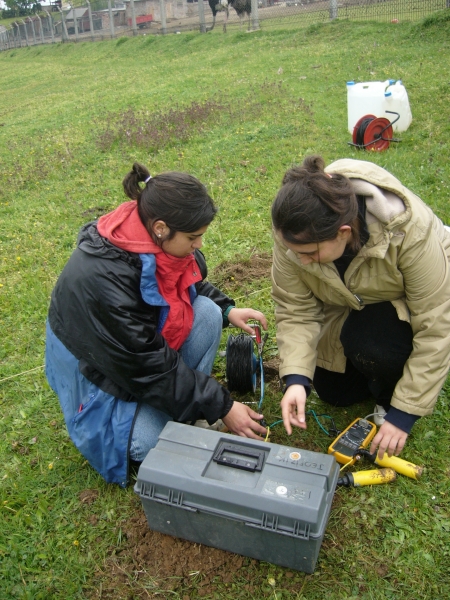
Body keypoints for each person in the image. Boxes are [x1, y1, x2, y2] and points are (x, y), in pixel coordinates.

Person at [46, 163, 267, 487]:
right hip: (98, 381)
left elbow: (178, 282)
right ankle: (173, 415)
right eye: (194, 237)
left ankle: (186, 409)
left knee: (205, 312)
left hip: (137, 364)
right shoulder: (105, 284)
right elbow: (150, 368)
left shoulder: (147, 237)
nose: (200, 245)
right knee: (151, 440)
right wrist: (222, 406)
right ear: (162, 228)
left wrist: (226, 309)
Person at [271, 155, 450, 459]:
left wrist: (403, 413)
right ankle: (370, 361)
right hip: (346, 300)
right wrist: (297, 378)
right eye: (293, 251)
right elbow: (295, 310)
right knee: (335, 393)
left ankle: (391, 390)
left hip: (404, 301)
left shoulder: (409, 229)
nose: (299, 260)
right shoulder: (296, 232)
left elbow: (436, 325)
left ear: (343, 232)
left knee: (372, 343)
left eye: (308, 253)